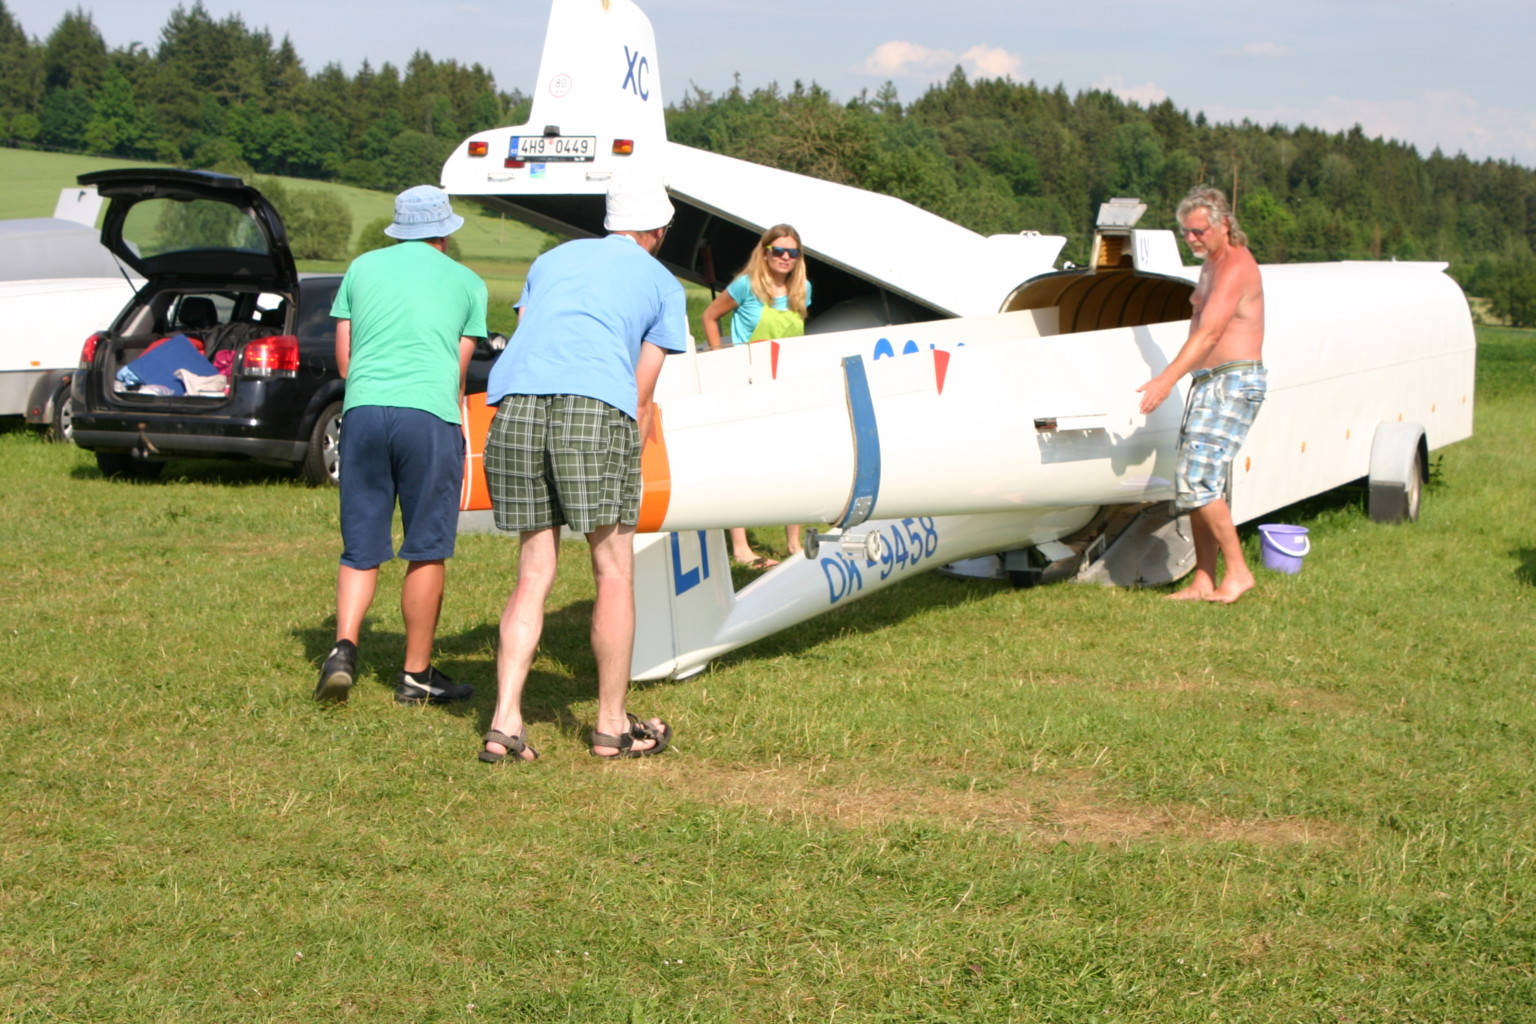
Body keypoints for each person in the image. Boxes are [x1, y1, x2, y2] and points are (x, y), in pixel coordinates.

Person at [477, 173, 688, 764]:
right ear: (657, 230)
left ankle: (504, 723)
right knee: (613, 570)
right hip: (595, 409)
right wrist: (631, 453)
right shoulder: (664, 283)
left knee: (533, 571)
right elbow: (641, 395)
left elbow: (532, 333)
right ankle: (611, 728)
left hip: (516, 406)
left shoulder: (552, 260)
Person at [314, 185, 487, 704]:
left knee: (361, 546)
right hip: (428, 416)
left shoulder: (361, 269)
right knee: (426, 548)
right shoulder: (469, 283)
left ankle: (343, 649)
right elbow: (456, 374)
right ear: (445, 234)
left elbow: (345, 361)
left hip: (363, 411)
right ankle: (416, 675)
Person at [1136, 185, 1267, 604]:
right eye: (1185, 232)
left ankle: (1239, 573)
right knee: (1193, 482)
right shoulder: (1212, 264)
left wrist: (1165, 380)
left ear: (1223, 224)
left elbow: (1209, 333)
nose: (1191, 239)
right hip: (1211, 382)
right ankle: (1203, 579)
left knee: (1198, 479)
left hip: (1233, 381)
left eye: (1198, 231)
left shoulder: (1234, 266)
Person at [701, 223, 814, 567]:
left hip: (787, 384)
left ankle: (793, 544)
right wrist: (721, 358)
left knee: (793, 463)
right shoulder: (746, 285)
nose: (785, 257)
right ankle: (741, 548)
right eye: (778, 250)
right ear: (764, 253)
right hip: (747, 384)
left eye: (792, 252)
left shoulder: (803, 289)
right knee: (742, 462)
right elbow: (710, 316)